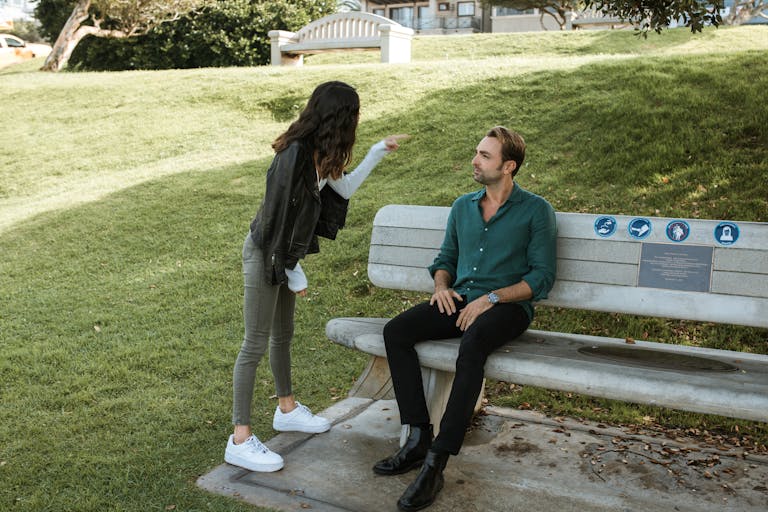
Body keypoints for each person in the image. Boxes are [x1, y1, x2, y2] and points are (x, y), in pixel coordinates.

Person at [225, 80, 407, 473]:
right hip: (265, 253)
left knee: (283, 336)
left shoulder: (321, 155)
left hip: (283, 256)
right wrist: (291, 269)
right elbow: (276, 219)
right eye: (354, 116)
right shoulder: (294, 155)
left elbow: (344, 189)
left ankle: (286, 409)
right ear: (339, 117)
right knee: (254, 344)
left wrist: (377, 151)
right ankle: (239, 439)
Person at [372, 126, 557, 511]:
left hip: (507, 308)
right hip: (460, 300)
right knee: (397, 332)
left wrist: (492, 298)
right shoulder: (462, 207)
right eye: (477, 152)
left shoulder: (536, 211)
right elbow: (445, 261)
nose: (475, 160)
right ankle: (418, 437)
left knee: (473, 342)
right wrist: (441, 286)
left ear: (509, 166)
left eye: (485, 156)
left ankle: (437, 462)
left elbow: (541, 278)